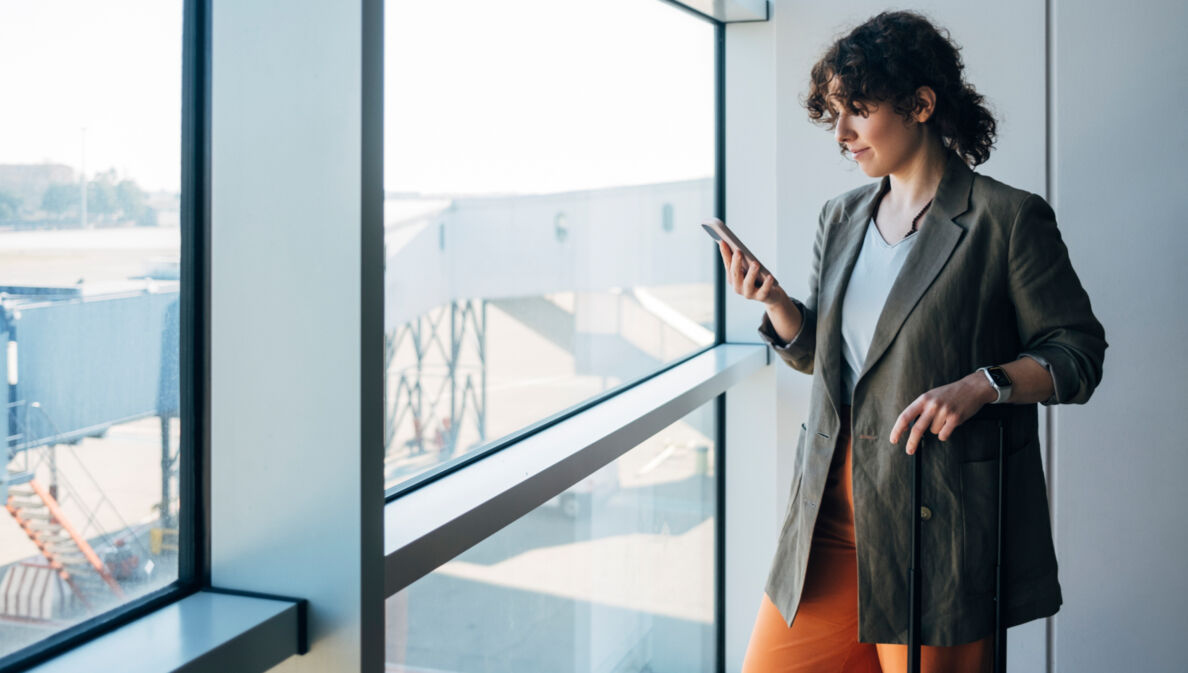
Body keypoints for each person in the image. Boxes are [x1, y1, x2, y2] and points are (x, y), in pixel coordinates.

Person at [721, 11, 1107, 673]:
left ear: (921, 104)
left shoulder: (1006, 218)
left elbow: (1077, 356)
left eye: (857, 111)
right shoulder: (839, 217)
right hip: (827, 519)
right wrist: (779, 306)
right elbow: (834, 360)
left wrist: (983, 384)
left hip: (937, 525)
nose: (840, 133)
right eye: (834, 114)